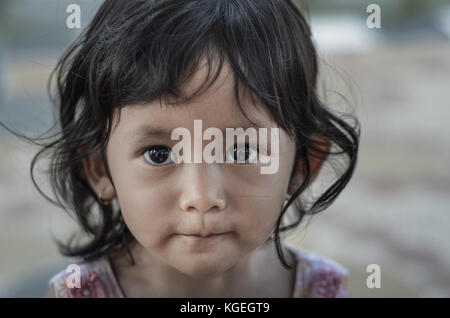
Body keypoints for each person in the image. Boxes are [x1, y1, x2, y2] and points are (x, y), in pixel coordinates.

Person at [10, 0, 359, 298]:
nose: (202, 196)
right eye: (159, 154)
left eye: (241, 152)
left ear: (301, 166)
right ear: (99, 168)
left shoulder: (320, 288)